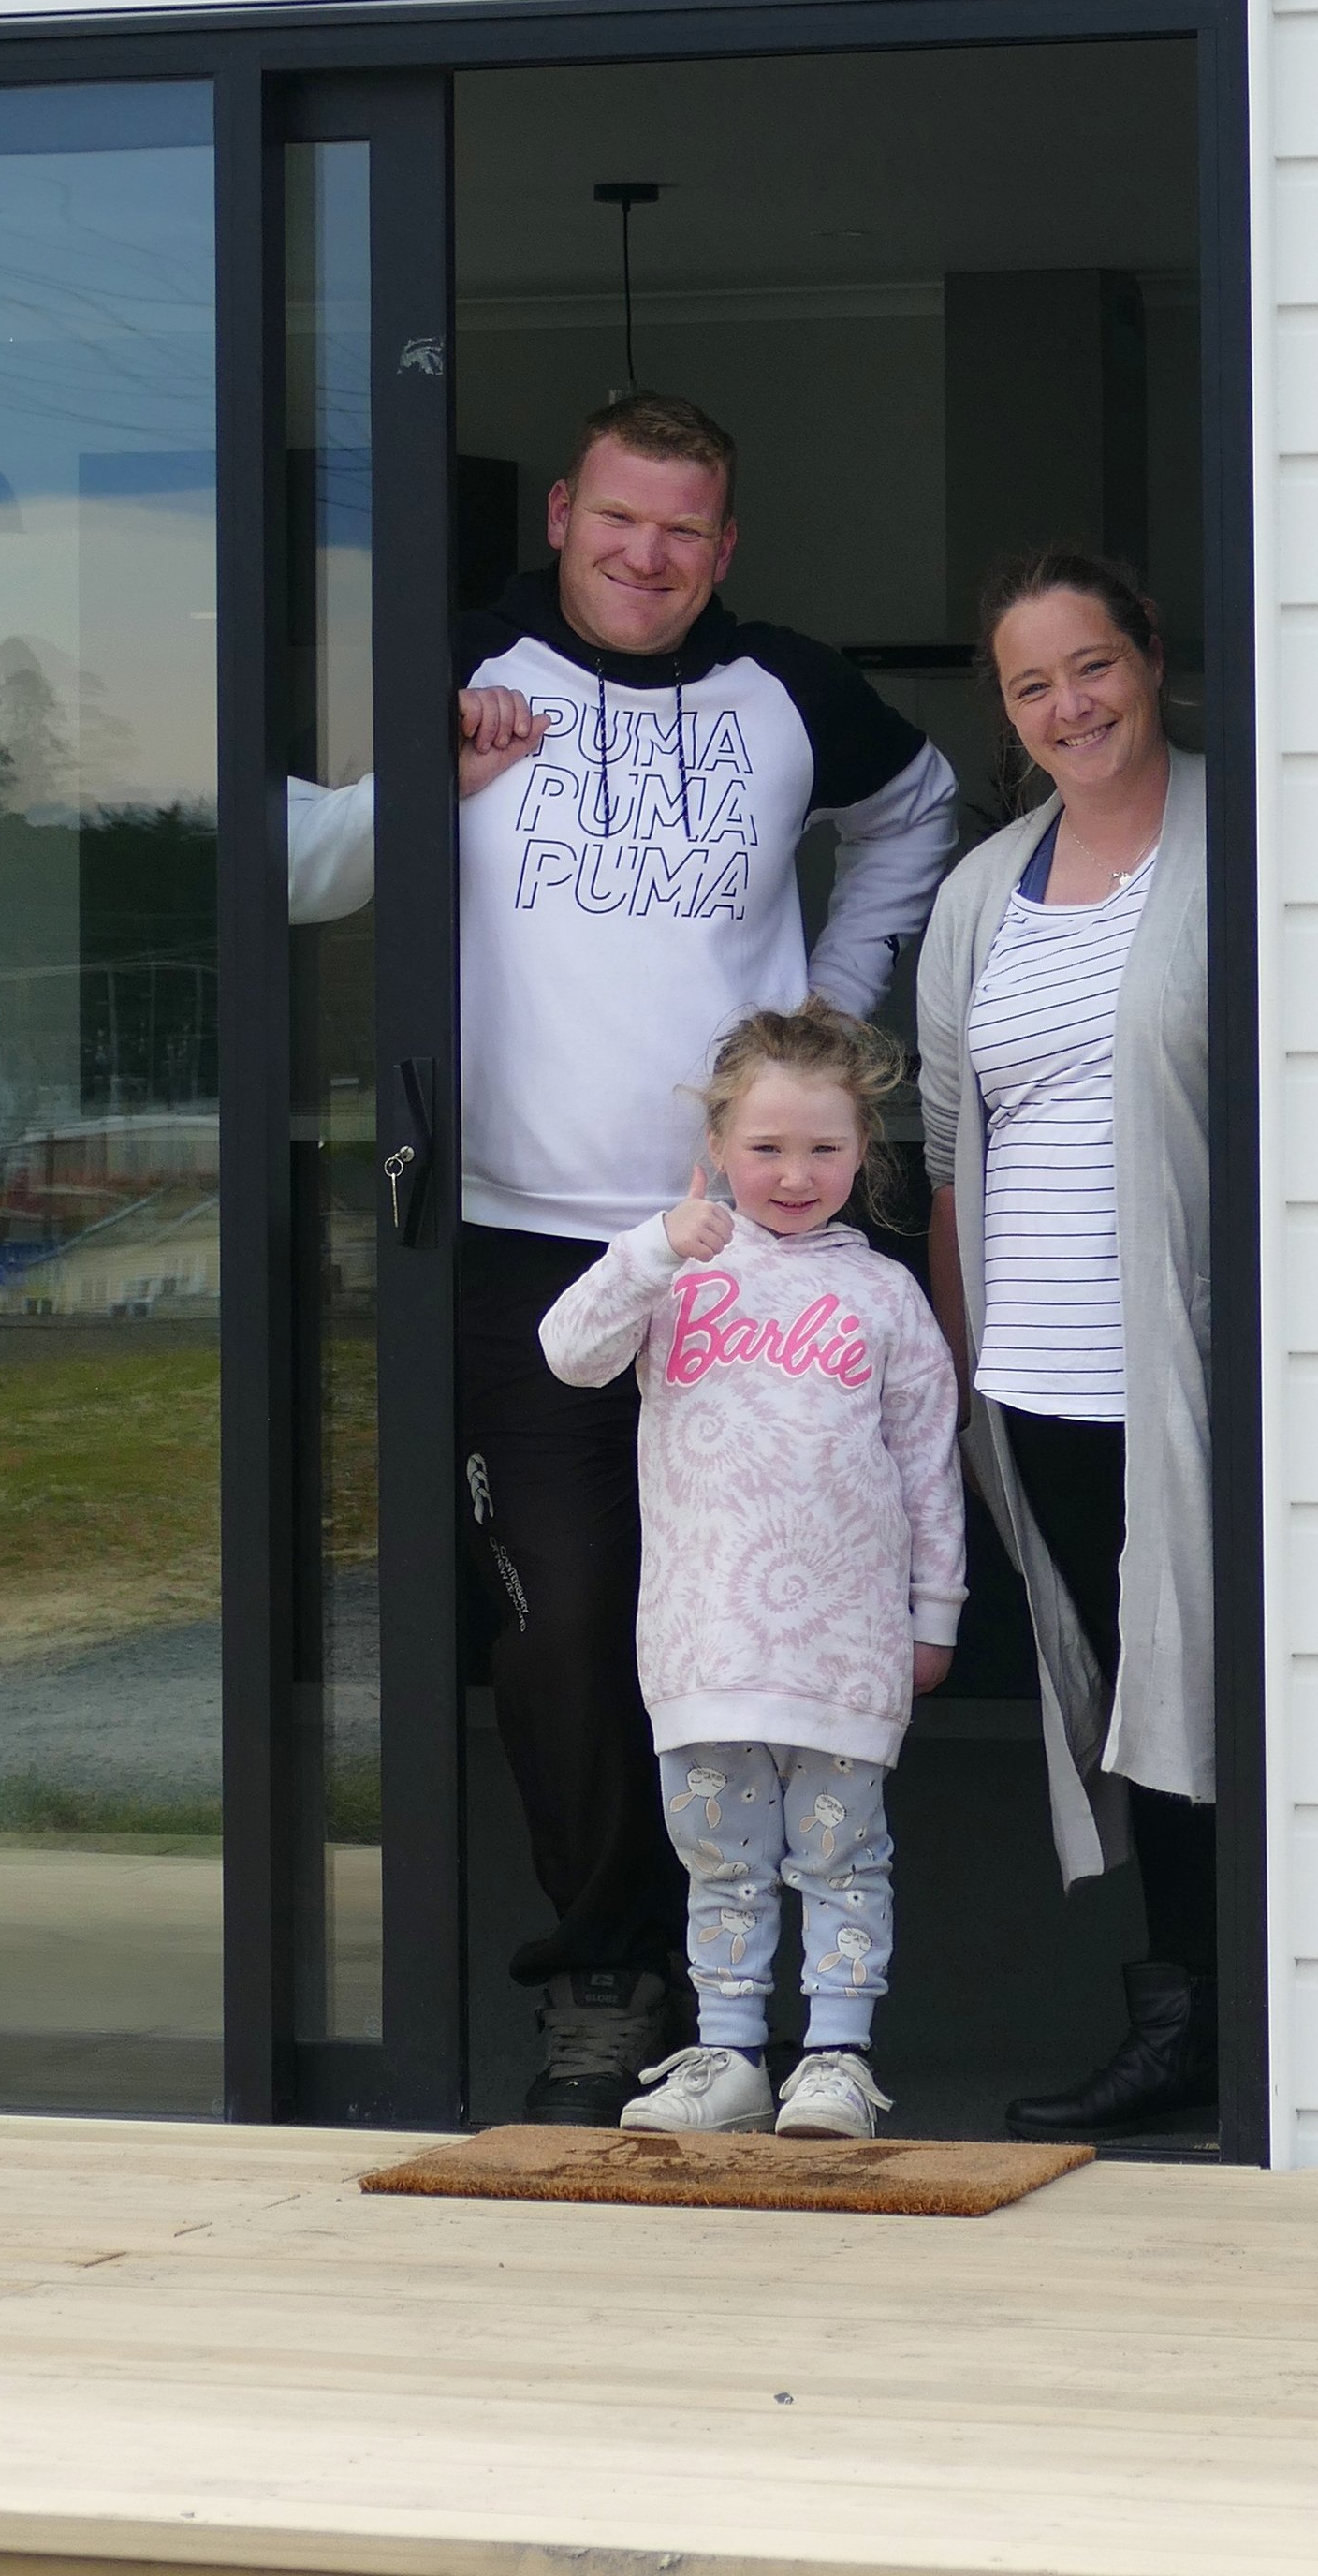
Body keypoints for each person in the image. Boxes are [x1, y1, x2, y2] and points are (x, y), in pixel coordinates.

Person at [289, 391, 959, 2125]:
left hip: (753, 1258)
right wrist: (432, 781)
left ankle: (791, 2004)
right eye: (618, 524)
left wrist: (839, 1010)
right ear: (568, 514)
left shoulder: (792, 690)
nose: (647, 559)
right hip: (525, 1243)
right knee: (570, 1622)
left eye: (685, 533)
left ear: (723, 547)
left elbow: (923, 804)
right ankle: (610, 1976)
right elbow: (302, 864)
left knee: (766, 1615)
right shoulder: (460, 660)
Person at [535, 1000, 965, 2140]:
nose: (794, 1173)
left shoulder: (884, 1293)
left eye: (824, 1147)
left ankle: (834, 2056)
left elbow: (928, 1463)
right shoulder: (677, 1271)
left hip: (842, 1645)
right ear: (717, 1147)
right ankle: (727, 2052)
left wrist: (936, 1612)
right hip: (706, 1641)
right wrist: (653, 1246)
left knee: (841, 1855)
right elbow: (568, 1354)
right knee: (720, 1862)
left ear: (864, 1152)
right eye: (766, 1147)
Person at [915, 548, 1215, 2144]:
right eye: (1034, 685)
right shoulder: (982, 896)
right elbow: (953, 1155)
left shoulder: (1237, 840)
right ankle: (1182, 2012)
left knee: (1220, 1683)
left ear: (1149, 655)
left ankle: (1249, 2011)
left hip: (1198, 1373)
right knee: (1128, 1700)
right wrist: (966, 1373)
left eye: (1090, 665)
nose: (1069, 704)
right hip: (1035, 1382)